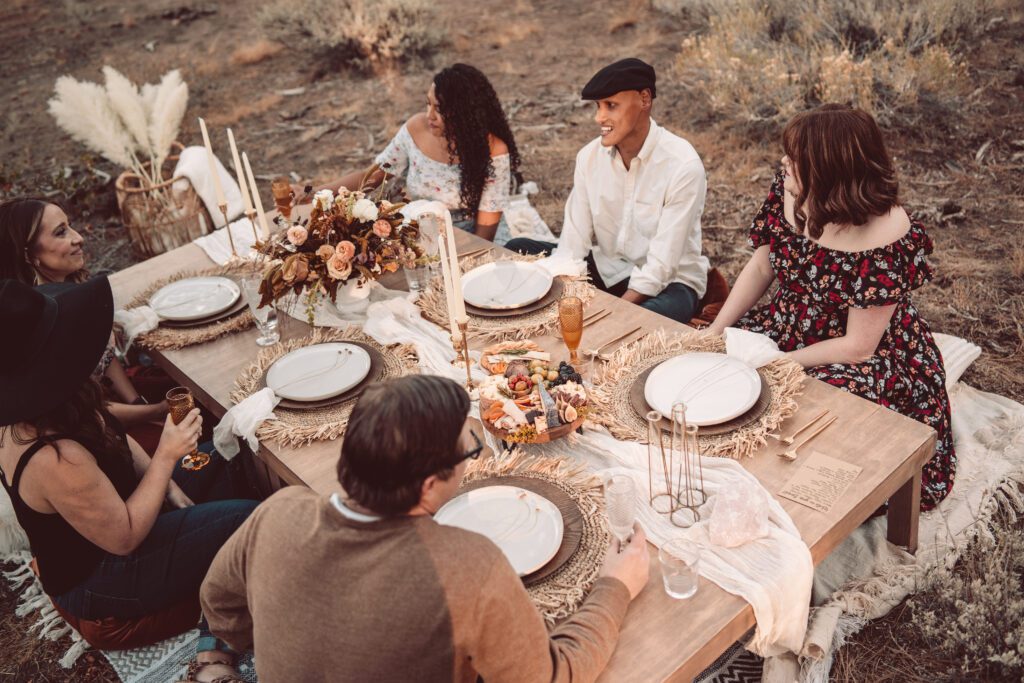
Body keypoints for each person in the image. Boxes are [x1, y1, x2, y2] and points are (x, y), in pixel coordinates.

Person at [201, 375, 650, 681]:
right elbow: (550, 676)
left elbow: (217, 603)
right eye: (466, 450)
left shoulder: (277, 511)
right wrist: (614, 587)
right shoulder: (467, 565)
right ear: (432, 483)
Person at [0, 277, 257, 683]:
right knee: (248, 521)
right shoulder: (51, 456)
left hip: (130, 511)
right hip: (102, 575)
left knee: (227, 454)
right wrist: (167, 456)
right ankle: (213, 654)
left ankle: (223, 558)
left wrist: (170, 482)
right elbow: (123, 537)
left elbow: (112, 433)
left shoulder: (59, 400)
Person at [707, 104, 955, 510]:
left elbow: (858, 346)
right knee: (723, 376)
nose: (783, 163)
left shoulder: (885, 231)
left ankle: (794, 497)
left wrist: (780, 363)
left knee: (813, 414)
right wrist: (715, 329)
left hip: (859, 355)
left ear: (829, 169)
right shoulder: (791, 187)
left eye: (796, 158)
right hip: (787, 326)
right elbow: (763, 263)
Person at [505, 58, 709, 324]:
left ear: (644, 99)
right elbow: (572, 245)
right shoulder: (589, 157)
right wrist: (565, 286)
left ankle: (615, 317)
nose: (599, 117)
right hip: (609, 268)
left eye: (611, 106)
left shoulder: (683, 165)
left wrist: (610, 313)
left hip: (672, 283)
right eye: (598, 107)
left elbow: (662, 266)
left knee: (640, 321)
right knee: (516, 248)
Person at [0, 198, 169, 437]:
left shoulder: (73, 289)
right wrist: (156, 411)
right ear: (29, 256)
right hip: (90, 428)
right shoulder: (40, 326)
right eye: (60, 233)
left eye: (70, 225)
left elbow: (103, 353)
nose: (78, 237)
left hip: (111, 400)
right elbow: (85, 410)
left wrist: (136, 401)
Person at [315, 64, 521, 245]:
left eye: (439, 109)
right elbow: (370, 177)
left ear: (464, 113)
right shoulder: (416, 128)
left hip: (473, 236)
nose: (429, 115)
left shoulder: (493, 149)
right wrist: (313, 193)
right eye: (428, 103)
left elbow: (485, 231)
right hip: (421, 230)